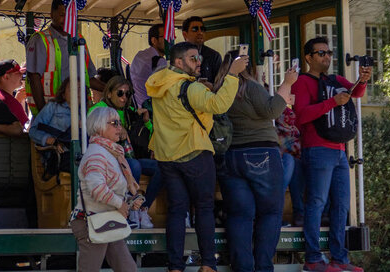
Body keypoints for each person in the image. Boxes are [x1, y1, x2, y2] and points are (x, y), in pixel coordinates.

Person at [145, 41, 247, 272]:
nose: (198, 63)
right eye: (193, 59)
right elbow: (219, 105)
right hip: (194, 153)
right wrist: (232, 75)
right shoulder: (191, 88)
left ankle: (175, 266)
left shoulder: (159, 84)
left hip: (167, 157)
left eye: (199, 58)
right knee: (203, 208)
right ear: (179, 62)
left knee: (176, 210)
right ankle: (208, 265)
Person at [292, 37, 372, 272]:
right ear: (309, 58)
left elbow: (355, 93)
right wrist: (331, 102)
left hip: (339, 151)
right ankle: (313, 258)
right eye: (321, 53)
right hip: (316, 149)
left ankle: (340, 258)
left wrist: (363, 81)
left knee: (341, 206)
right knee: (316, 203)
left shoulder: (335, 79)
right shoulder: (301, 83)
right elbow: (301, 116)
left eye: (329, 53)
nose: (327, 57)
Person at [219, 49, 298, 272]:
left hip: (230, 155)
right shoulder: (250, 87)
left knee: (239, 215)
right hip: (260, 153)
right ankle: (263, 267)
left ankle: (242, 267)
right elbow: (271, 111)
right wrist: (287, 82)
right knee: (271, 212)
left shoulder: (221, 89)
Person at [70, 106, 141, 272]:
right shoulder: (97, 153)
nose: (119, 127)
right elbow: (97, 188)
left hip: (106, 219)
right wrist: (121, 204)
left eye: (119, 123)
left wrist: (129, 201)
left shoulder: (110, 153)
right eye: (114, 123)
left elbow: (107, 188)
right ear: (100, 126)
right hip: (92, 222)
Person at [89, 75, 160, 229]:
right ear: (109, 93)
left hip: (129, 155)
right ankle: (129, 208)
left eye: (127, 94)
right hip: (108, 157)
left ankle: (141, 208)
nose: (124, 97)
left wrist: (146, 121)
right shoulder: (98, 110)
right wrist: (117, 131)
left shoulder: (130, 111)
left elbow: (151, 134)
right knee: (133, 166)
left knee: (163, 167)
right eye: (120, 93)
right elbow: (91, 133)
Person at [25, 0, 104, 116]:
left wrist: (111, 88)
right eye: (62, 15)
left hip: (79, 113)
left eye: (71, 15)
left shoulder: (79, 39)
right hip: (52, 112)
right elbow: (34, 78)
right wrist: (44, 115)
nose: (67, 19)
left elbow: (89, 78)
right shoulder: (40, 40)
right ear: (51, 14)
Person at [28, 78, 74, 175]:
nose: (76, 92)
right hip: (57, 156)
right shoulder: (54, 107)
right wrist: (49, 140)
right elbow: (33, 130)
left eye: (79, 89)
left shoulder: (86, 112)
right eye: (72, 89)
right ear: (63, 94)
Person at [130, 24, 167, 107]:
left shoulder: (139, 55)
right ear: (154, 40)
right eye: (166, 37)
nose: (170, 41)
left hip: (136, 106)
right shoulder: (159, 61)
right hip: (151, 110)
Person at [181, 16, 222, 83]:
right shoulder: (178, 55)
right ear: (185, 34)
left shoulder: (213, 56)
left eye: (202, 29)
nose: (200, 32)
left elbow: (219, 84)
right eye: (195, 29)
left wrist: (211, 87)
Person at [0, 59, 29, 126]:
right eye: (17, 73)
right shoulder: (10, 102)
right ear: (6, 77)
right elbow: (27, 128)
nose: (21, 75)